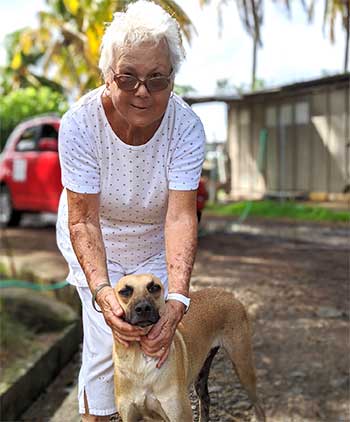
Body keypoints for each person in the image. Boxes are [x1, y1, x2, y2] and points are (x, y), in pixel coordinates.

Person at [56, 1, 206, 420]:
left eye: (157, 78)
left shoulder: (187, 127)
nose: (143, 91)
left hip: (154, 235)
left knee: (157, 336)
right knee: (107, 345)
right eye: (128, 77)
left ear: (172, 77)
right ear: (108, 75)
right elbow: (82, 218)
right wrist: (104, 293)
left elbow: (180, 216)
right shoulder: (81, 123)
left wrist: (177, 299)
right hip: (94, 233)